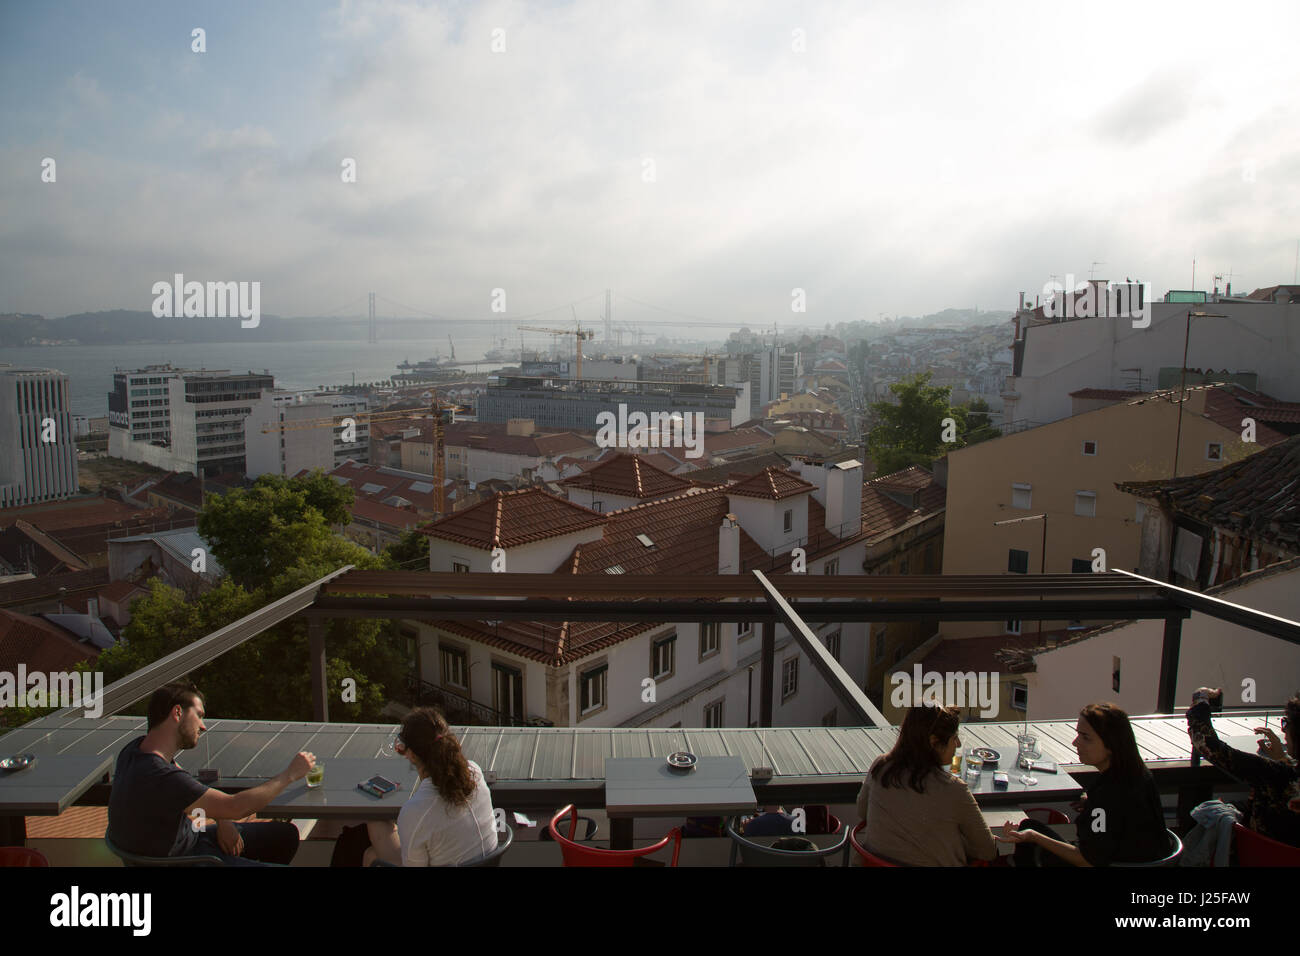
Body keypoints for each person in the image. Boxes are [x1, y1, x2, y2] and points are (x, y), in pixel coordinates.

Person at [106, 681, 311, 865]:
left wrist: (222, 819)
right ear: (177, 713)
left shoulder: (134, 751)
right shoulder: (160, 776)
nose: (203, 726)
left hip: (187, 842)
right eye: (199, 715)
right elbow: (236, 807)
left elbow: (185, 785)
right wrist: (290, 775)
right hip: (188, 860)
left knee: (285, 836)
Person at [998, 702, 1168, 866]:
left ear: (1111, 744)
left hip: (1113, 863)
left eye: (1086, 737)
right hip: (1145, 858)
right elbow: (1120, 818)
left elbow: (1088, 860)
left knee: (1030, 830)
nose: (1075, 742)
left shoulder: (1106, 797)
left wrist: (1034, 837)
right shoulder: (1139, 775)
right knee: (1029, 827)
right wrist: (1091, 803)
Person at [331, 706, 498, 867]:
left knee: (371, 845)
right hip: (482, 860)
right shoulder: (474, 771)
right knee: (372, 850)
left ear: (410, 754)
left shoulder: (417, 811)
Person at [855, 703, 997, 866]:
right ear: (934, 742)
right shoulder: (953, 789)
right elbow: (988, 851)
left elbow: (862, 811)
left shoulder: (880, 766)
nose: (957, 745)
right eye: (954, 738)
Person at [1185, 687, 1300, 847]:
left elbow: (1206, 743)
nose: (1283, 730)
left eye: (1286, 723)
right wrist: (1283, 758)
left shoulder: (1275, 774)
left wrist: (1201, 698)